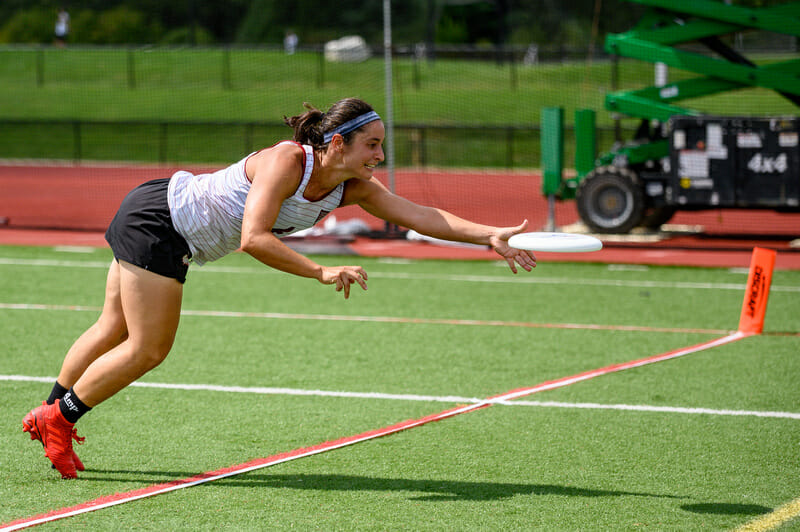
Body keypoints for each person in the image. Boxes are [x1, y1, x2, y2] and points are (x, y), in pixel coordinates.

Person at [21, 97, 537, 479]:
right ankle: (58, 418)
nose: (380, 155)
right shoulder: (289, 161)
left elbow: (421, 215)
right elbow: (254, 239)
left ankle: (47, 413)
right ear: (338, 143)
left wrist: (487, 235)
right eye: (372, 145)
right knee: (148, 347)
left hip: (160, 214)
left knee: (113, 327)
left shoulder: (351, 186)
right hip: (161, 222)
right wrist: (320, 271)